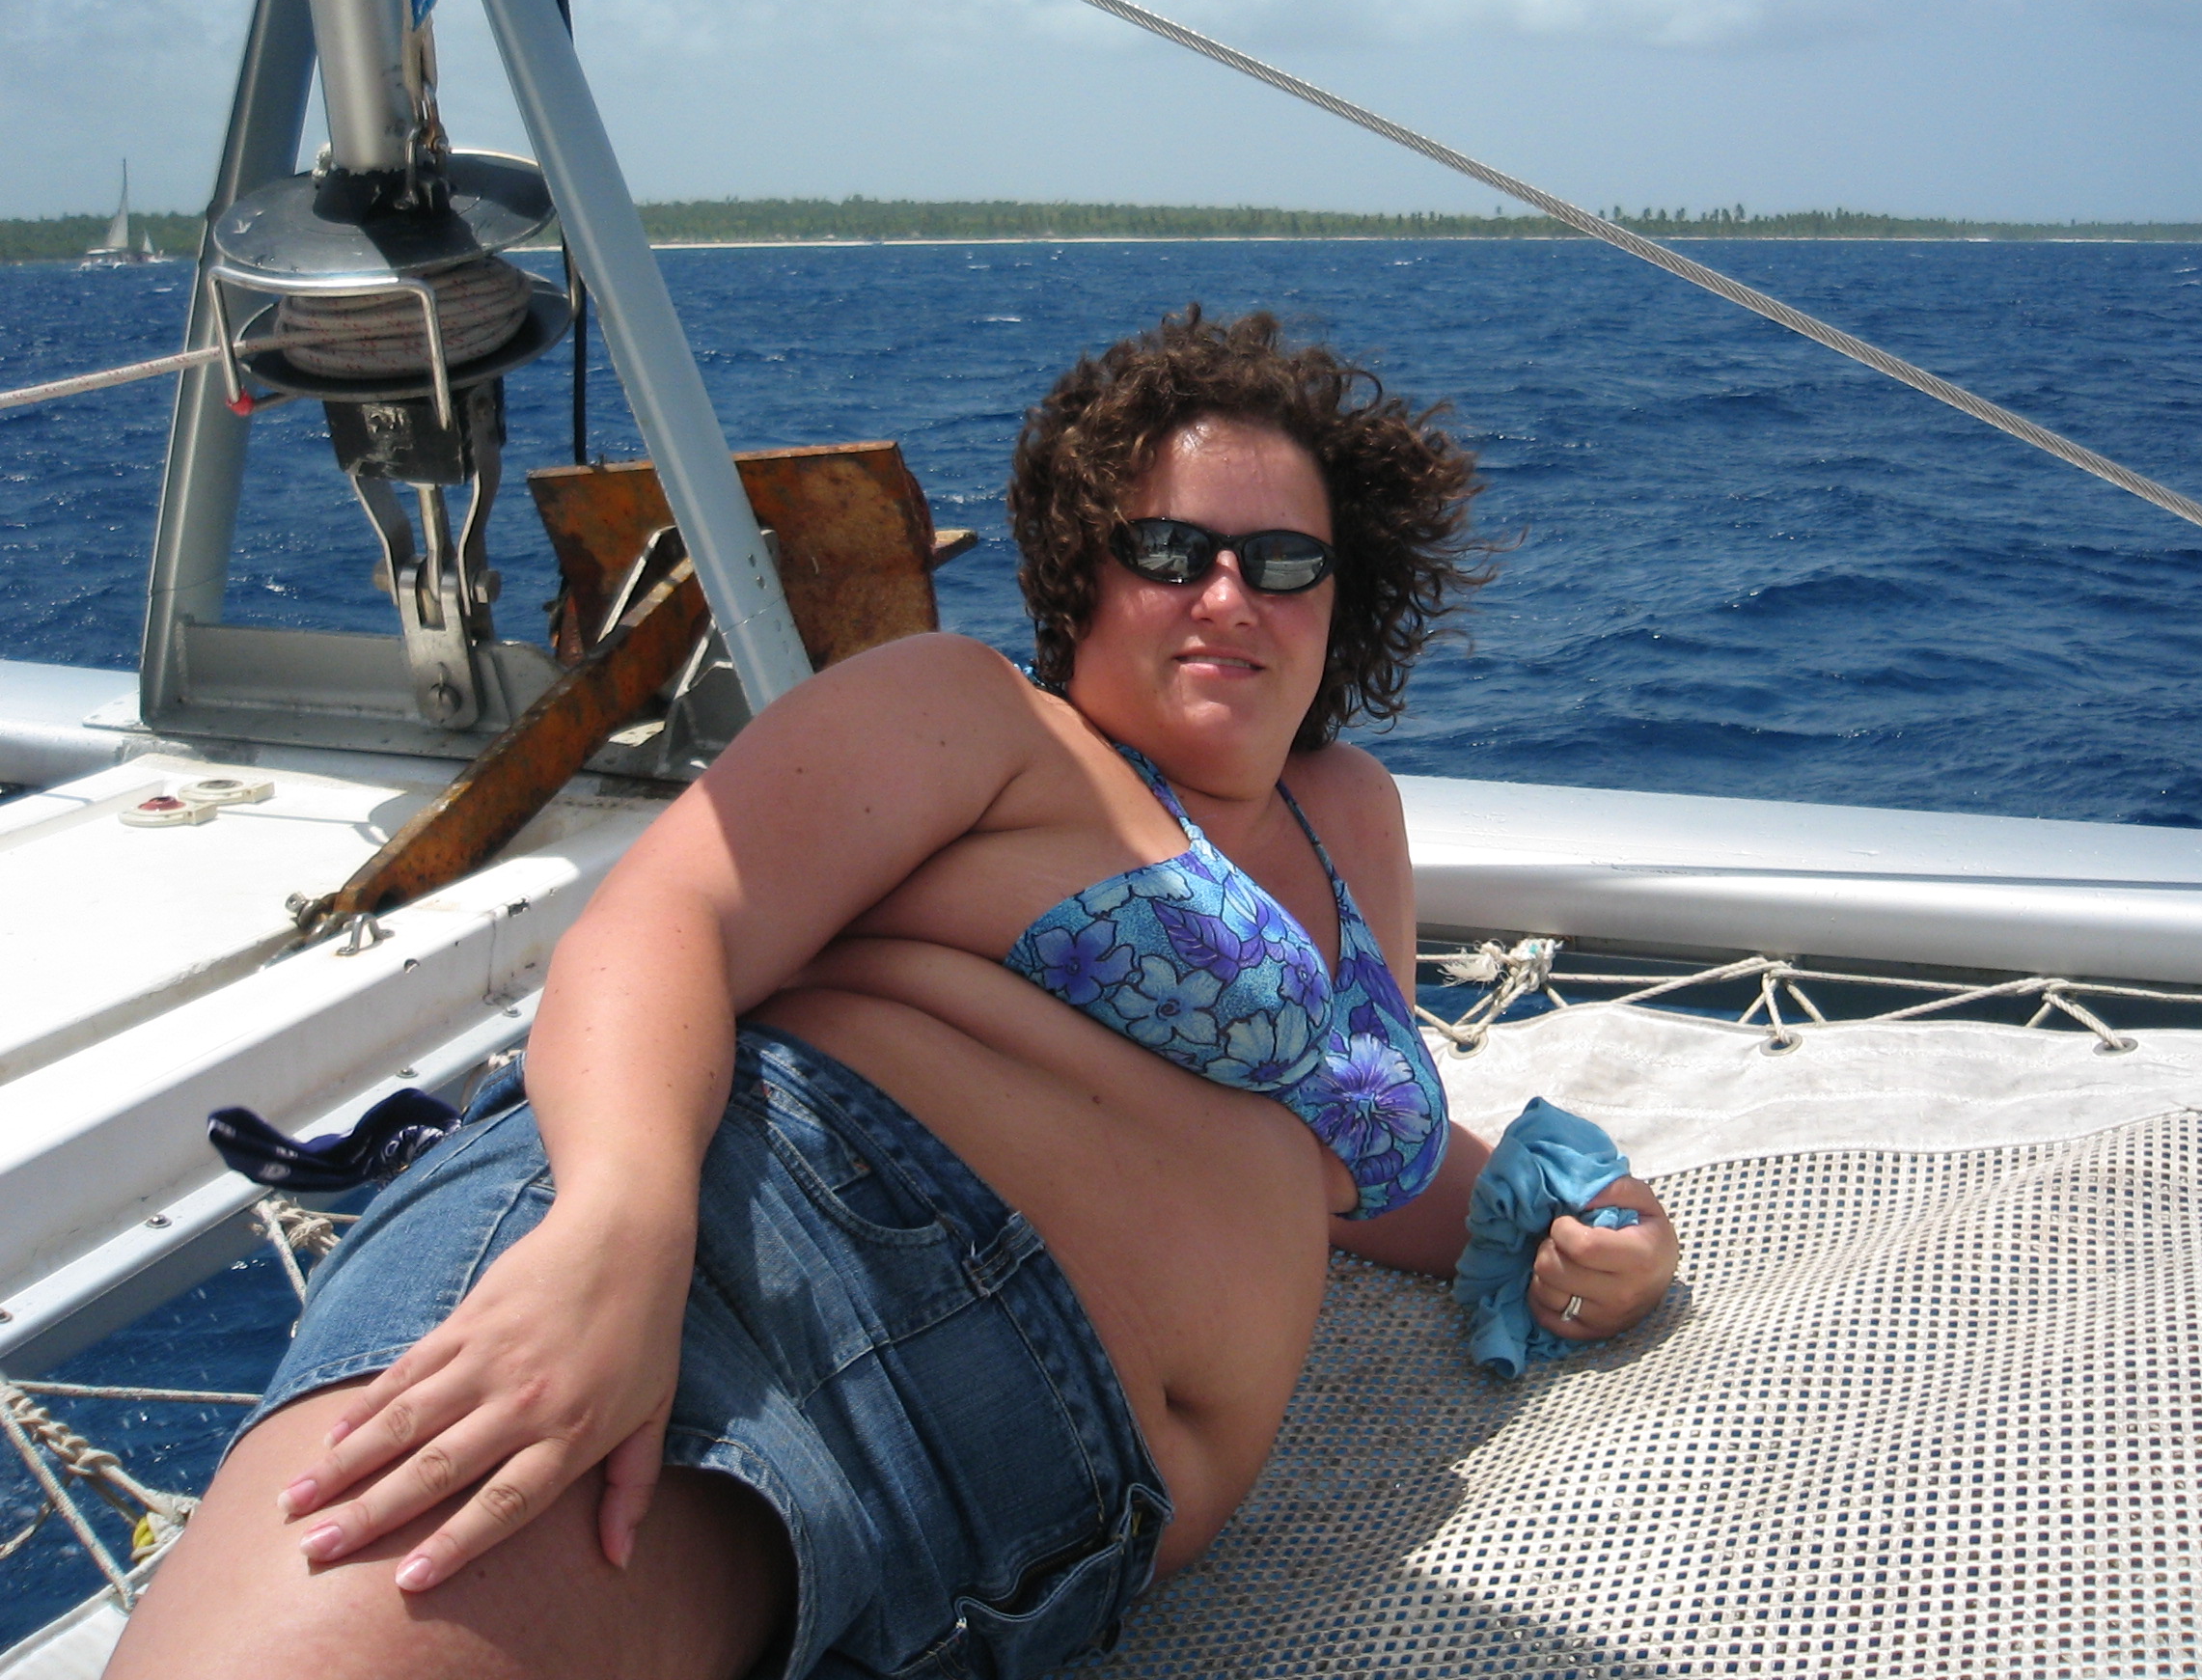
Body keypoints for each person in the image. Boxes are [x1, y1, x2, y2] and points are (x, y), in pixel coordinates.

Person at [109, 307, 1681, 1680]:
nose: (1228, 597)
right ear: (1082, 571)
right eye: (1168, 551)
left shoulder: (1353, 822)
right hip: (772, 1247)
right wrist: (621, 1232)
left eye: (1284, 563)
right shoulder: (978, 719)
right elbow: (669, 925)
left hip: (1034, 1520)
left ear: (1347, 595)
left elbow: (1334, 1161)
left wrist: (1566, 1210)